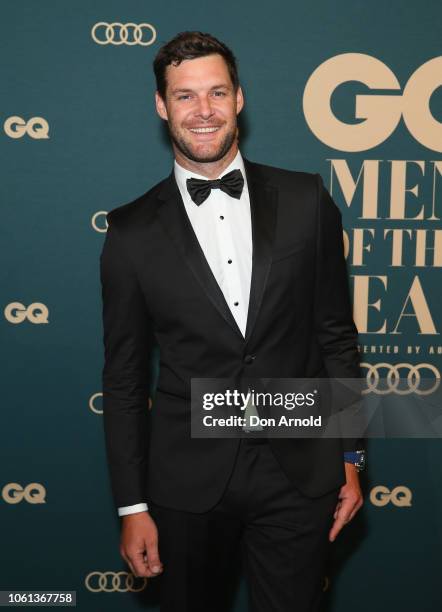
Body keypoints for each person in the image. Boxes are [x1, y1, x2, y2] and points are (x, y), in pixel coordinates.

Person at [99, 30, 365, 612]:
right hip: (186, 485)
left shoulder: (306, 199)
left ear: (239, 98)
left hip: (299, 472)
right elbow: (122, 382)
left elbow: (336, 339)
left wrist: (351, 457)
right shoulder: (131, 232)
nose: (204, 111)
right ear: (161, 106)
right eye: (186, 96)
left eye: (217, 92)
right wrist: (132, 506)